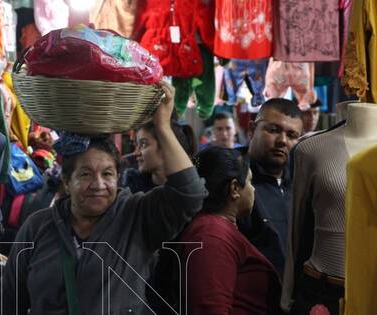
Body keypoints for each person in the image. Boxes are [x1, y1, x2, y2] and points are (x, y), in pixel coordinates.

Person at [0, 83, 208, 314]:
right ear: (66, 182)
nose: (98, 185)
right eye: (85, 174)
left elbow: (189, 193)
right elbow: (8, 302)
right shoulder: (38, 226)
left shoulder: (136, 216)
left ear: (118, 178)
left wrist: (162, 126)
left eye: (107, 174)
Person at [179, 146, 281, 314]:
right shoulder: (212, 237)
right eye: (250, 182)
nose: (253, 189)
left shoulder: (216, 230)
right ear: (235, 189)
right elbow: (210, 308)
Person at [238, 98, 303, 276]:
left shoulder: (301, 183)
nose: (282, 141)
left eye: (292, 136)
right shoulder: (234, 179)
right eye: (273, 130)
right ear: (252, 129)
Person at [121, 116, 196, 193]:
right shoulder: (132, 191)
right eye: (136, 145)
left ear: (165, 147)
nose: (136, 153)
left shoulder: (191, 192)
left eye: (143, 144)